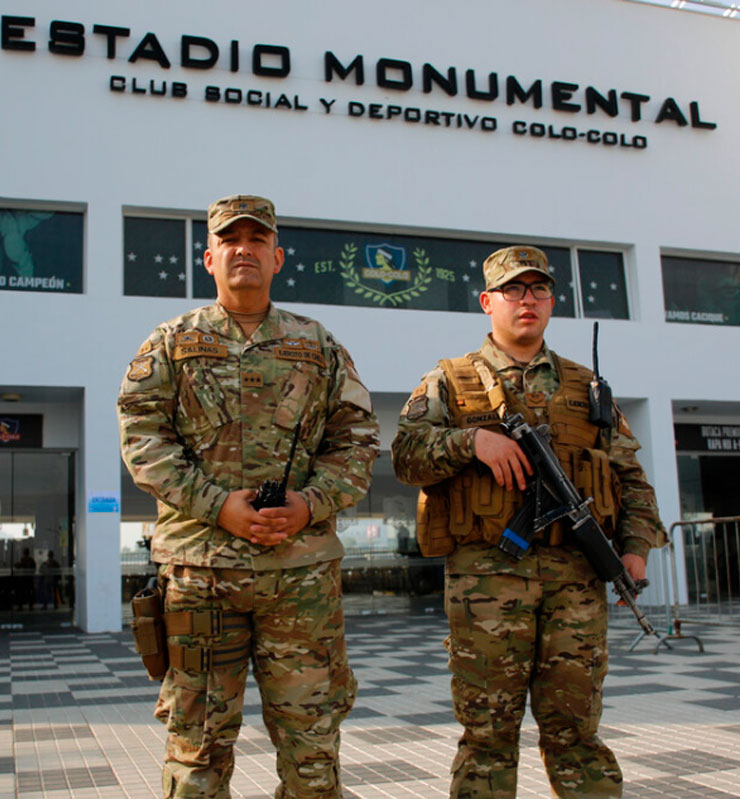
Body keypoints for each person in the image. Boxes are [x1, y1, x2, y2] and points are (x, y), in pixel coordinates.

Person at [118, 194, 380, 799]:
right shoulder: (171, 342)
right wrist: (218, 506)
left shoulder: (317, 344)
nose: (244, 250)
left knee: (312, 747)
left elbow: (358, 440)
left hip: (300, 577)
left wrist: (310, 504)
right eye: (230, 240)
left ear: (277, 258)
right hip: (202, 575)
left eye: (257, 240)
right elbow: (142, 437)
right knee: (197, 747)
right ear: (208, 258)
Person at [392, 245, 666, 798]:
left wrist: (634, 549)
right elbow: (405, 457)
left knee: (577, 733)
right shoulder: (449, 380)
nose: (527, 300)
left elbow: (630, 477)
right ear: (487, 302)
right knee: (487, 737)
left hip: (578, 580)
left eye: (539, 289)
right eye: (513, 290)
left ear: (552, 302)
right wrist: (473, 441)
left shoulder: (586, 386)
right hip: (486, 582)